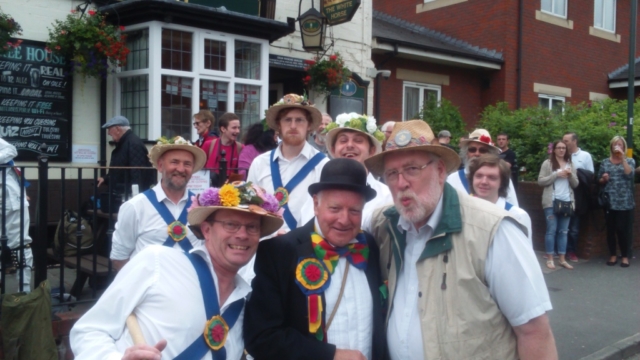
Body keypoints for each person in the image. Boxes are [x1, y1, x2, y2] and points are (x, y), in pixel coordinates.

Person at [367, 120, 556, 360]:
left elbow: (534, 332)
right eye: (392, 173)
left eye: (413, 169)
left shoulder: (494, 229)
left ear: (440, 171)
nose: (401, 183)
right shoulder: (384, 224)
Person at [71, 183, 284, 360]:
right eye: (231, 224)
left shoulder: (249, 299)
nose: (242, 234)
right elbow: (88, 331)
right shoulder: (156, 261)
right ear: (207, 230)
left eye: (252, 228)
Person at [244, 158, 387, 360]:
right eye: (335, 208)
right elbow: (261, 337)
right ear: (315, 204)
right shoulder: (279, 252)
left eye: (354, 210)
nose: (344, 219)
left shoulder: (370, 246)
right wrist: (330, 355)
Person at [110, 136, 207, 271]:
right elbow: (119, 258)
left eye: (187, 164)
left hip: (192, 287)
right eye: (174, 162)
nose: (181, 169)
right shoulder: (135, 207)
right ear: (160, 166)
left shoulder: (203, 208)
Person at [247, 94, 329, 232]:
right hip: (266, 244)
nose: (293, 126)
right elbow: (250, 206)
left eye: (299, 120)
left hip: (305, 246)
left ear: (309, 126)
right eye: (287, 120)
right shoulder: (260, 163)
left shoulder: (323, 165)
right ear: (279, 125)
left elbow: (326, 211)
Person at [300, 113, 392, 232]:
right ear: (333, 150)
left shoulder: (387, 197)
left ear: (372, 150)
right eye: (343, 140)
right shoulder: (316, 195)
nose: (349, 145)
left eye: (358, 140)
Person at [468, 154, 532, 244]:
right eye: (479, 176)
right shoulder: (464, 212)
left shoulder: (517, 216)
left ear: (502, 182)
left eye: (492, 177)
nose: (484, 182)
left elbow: (525, 255)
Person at [447, 128, 519, 206]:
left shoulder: (502, 178)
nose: (477, 154)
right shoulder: (452, 179)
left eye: (482, 150)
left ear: (490, 154)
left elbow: (512, 209)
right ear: (466, 153)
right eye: (472, 149)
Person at [537, 140, 578, 270]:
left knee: (564, 231)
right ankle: (550, 258)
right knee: (551, 230)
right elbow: (541, 181)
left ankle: (562, 259)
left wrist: (570, 175)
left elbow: (576, 184)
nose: (561, 150)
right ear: (554, 150)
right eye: (559, 148)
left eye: (563, 148)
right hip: (551, 201)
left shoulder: (570, 164)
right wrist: (556, 174)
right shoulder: (548, 164)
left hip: (566, 200)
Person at [0, 138, 32, 292]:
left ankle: (24, 291)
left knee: (20, 243)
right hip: (8, 195)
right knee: (19, 243)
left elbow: (11, 150)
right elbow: (11, 151)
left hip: (10, 196)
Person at [598, 136, 634, 268]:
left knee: (622, 230)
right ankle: (612, 254)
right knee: (611, 229)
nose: (617, 147)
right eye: (615, 145)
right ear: (611, 147)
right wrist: (603, 179)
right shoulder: (605, 162)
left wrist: (623, 158)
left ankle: (625, 256)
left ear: (624, 147)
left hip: (624, 201)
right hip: (609, 201)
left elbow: (629, 175)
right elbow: (599, 181)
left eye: (620, 145)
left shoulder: (629, 161)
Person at [97, 116, 154, 195]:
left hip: (128, 194)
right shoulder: (125, 143)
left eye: (109, 129)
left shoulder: (133, 143)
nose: (108, 133)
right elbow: (119, 169)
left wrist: (135, 195)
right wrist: (105, 178)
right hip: (122, 191)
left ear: (118, 129)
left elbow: (137, 173)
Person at [562, 132, 594, 262]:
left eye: (566, 141)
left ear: (574, 141)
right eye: (563, 141)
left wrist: (577, 174)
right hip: (563, 194)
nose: (563, 143)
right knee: (562, 226)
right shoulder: (561, 155)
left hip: (578, 195)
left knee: (574, 227)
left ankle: (571, 251)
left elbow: (591, 175)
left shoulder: (585, 156)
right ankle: (561, 251)